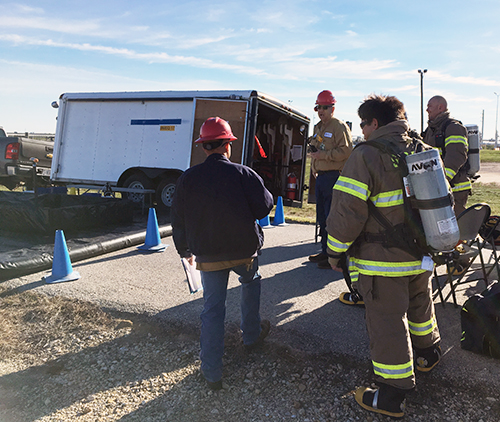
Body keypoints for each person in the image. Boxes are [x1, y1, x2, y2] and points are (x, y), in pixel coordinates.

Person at [326, 95, 441, 419]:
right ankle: (428, 354)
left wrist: (335, 252)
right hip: (420, 253)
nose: (361, 130)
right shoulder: (421, 149)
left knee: (387, 321)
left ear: (374, 123)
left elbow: (348, 211)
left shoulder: (366, 156)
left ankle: (392, 394)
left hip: (382, 261)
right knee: (420, 305)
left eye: (363, 123)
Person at [171, 116, 274, 391]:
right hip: (245, 252)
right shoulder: (244, 173)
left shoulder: (187, 179)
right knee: (251, 282)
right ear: (228, 145)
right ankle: (251, 337)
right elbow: (264, 208)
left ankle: (211, 373)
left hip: (208, 256)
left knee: (213, 309)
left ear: (204, 148)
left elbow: (177, 220)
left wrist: (185, 251)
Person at [308, 90, 353, 269]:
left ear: (332, 108)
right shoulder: (318, 127)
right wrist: (314, 166)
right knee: (322, 217)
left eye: (325, 107)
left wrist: (323, 156)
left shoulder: (339, 127)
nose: (321, 111)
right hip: (321, 178)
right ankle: (325, 251)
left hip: (335, 176)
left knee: (332, 217)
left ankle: (335, 256)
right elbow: (315, 150)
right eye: (319, 107)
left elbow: (347, 151)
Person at [423, 95, 470, 216]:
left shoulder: (453, 127)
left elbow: (456, 157)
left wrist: (443, 181)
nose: (427, 110)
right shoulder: (431, 130)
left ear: (440, 107)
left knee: (456, 226)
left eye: (430, 106)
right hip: (439, 188)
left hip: (455, 188)